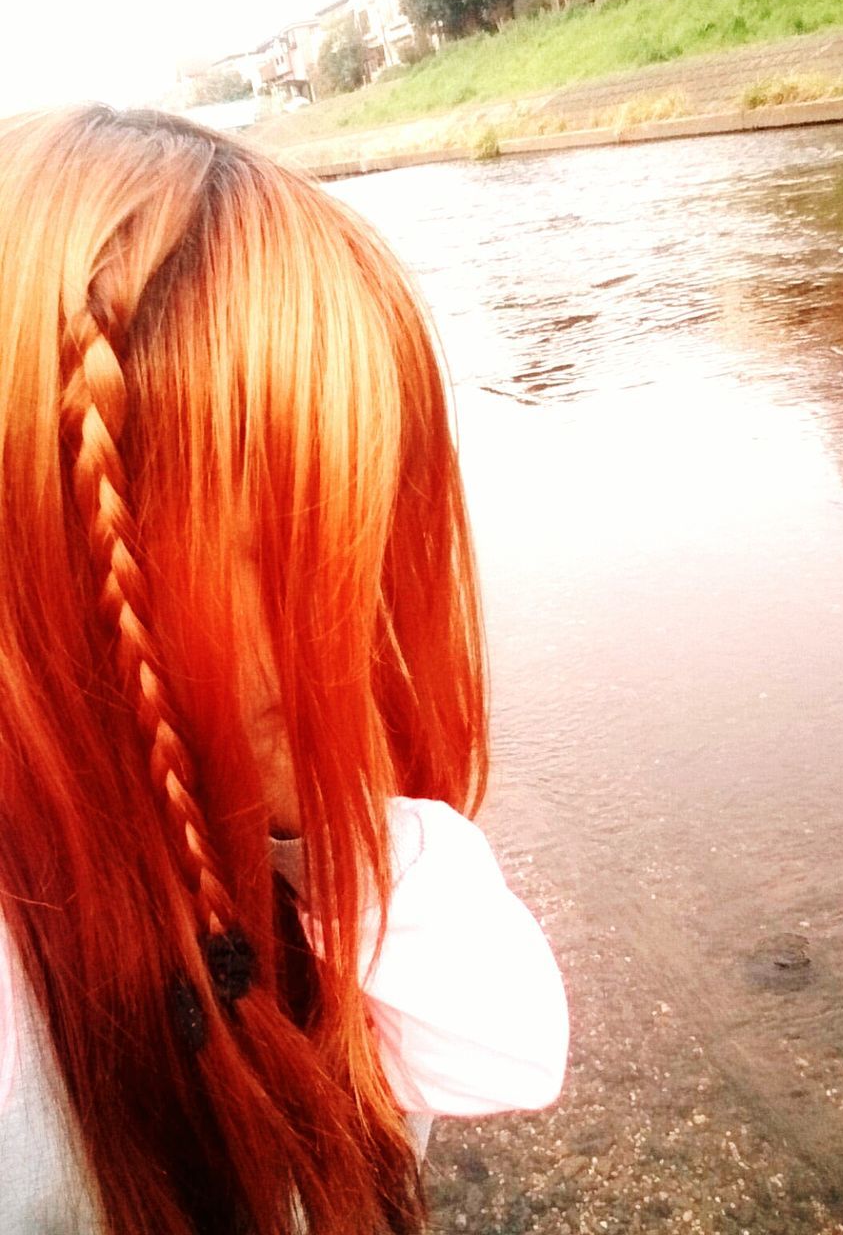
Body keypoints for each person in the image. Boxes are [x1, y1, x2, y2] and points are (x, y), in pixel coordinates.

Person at [0, 106, 568, 1235]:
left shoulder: (274, 823)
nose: (353, 624)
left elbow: (511, 1048)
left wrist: (320, 813)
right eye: (294, 547)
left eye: (357, 541)